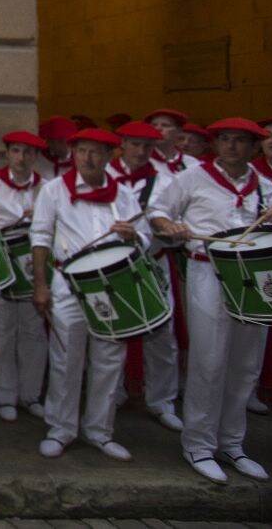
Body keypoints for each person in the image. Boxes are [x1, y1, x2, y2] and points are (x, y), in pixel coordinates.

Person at [150, 118, 272, 484]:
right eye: (225, 139)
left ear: (253, 146)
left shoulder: (264, 183)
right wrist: (169, 226)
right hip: (208, 269)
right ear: (216, 143)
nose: (233, 147)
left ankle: (232, 443)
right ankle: (198, 444)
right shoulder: (193, 176)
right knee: (209, 360)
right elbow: (158, 211)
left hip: (253, 276)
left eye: (241, 141)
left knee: (246, 364)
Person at [30, 127, 149, 462]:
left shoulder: (122, 193)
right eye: (81, 150)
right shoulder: (54, 190)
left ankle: (100, 430)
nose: (87, 158)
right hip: (69, 283)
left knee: (110, 359)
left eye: (95, 152)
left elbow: (146, 235)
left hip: (114, 283)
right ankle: (60, 428)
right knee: (67, 356)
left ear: (109, 156)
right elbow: (39, 238)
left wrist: (134, 235)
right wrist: (41, 285)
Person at [109, 119, 182, 431]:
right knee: (111, 333)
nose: (140, 151)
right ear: (122, 144)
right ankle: (113, 394)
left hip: (153, 262)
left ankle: (161, 401)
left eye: (147, 146)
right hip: (111, 265)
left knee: (162, 335)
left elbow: (173, 221)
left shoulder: (166, 180)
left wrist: (161, 230)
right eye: (134, 144)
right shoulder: (104, 173)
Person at [0, 130, 48, 421]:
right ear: (8, 153)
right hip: (2, 265)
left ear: (36, 157)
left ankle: (30, 395)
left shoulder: (46, 188)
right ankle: (6, 396)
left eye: (28, 153)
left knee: (34, 333)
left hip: (34, 267)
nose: (22, 158)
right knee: (4, 332)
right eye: (17, 151)